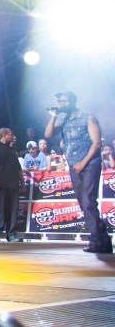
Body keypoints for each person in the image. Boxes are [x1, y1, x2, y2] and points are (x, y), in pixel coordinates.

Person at [45, 91, 111, 254]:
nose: (61, 102)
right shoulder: (64, 121)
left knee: (88, 201)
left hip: (90, 164)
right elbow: (47, 134)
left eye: (64, 100)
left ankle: (96, 240)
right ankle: (103, 239)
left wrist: (83, 162)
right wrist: (54, 114)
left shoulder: (87, 118)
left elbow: (96, 143)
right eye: (59, 100)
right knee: (84, 204)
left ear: (73, 102)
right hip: (74, 166)